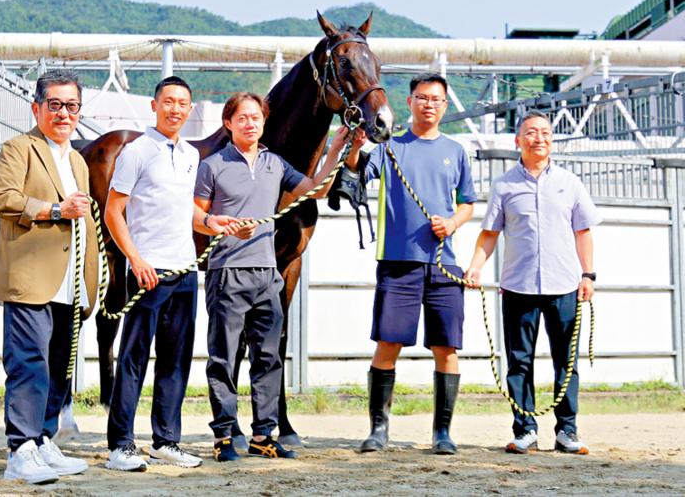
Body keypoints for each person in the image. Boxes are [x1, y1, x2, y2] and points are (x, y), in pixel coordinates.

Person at [194, 92, 355, 462]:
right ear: (228, 123)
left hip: (268, 275)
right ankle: (223, 436)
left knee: (268, 358)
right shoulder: (213, 165)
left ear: (263, 122)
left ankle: (263, 435)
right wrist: (218, 225)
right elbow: (196, 216)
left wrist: (337, 147)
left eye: (256, 117)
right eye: (243, 118)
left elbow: (317, 188)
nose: (250, 123)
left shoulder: (275, 164)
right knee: (223, 357)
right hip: (227, 272)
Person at [104, 76, 240, 472]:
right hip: (148, 271)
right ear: (154, 105)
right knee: (133, 359)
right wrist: (136, 260)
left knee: (176, 360)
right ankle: (121, 445)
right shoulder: (136, 152)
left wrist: (214, 222)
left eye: (183, 103)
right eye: (168, 101)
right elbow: (114, 211)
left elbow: (188, 214)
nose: (175, 109)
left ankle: (165, 440)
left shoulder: (190, 155)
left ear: (190, 109)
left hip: (184, 271)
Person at [344, 73, 476, 455]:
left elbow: (468, 202)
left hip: (444, 265)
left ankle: (443, 432)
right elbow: (355, 174)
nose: (429, 104)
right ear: (410, 102)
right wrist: (354, 147)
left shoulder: (457, 151)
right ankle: (378, 428)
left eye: (436, 99)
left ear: (445, 105)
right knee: (388, 344)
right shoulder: (389, 148)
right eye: (422, 97)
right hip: (398, 263)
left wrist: (452, 222)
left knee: (446, 348)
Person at [464, 110, 599, 455]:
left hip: (565, 286)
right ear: (518, 140)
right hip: (518, 287)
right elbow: (489, 233)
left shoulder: (569, 182)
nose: (538, 138)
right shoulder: (504, 185)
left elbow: (582, 232)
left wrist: (588, 275)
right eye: (530, 132)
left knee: (565, 362)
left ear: (551, 139)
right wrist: (475, 267)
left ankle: (567, 431)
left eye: (544, 132)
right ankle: (525, 430)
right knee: (519, 361)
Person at [0, 69, 95, 484]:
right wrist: (54, 210)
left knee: (57, 366)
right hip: (30, 278)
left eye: (71, 106)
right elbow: (2, 197)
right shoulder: (19, 148)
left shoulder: (78, 160)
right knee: (28, 364)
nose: (64, 113)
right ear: (37, 107)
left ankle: (44, 438)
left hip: (69, 282)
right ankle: (20, 450)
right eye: (55, 105)